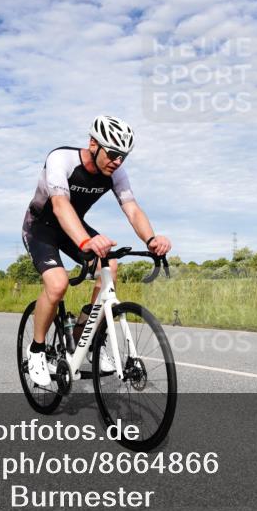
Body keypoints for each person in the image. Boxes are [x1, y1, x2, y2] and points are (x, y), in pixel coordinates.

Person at [21, 116, 172, 386]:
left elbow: (132, 209)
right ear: (93, 144)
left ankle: (85, 336)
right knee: (57, 285)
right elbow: (59, 205)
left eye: (123, 156)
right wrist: (84, 242)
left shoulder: (115, 173)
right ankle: (37, 350)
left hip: (73, 226)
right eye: (113, 153)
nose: (117, 161)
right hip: (41, 227)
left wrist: (151, 238)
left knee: (110, 268)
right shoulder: (62, 159)